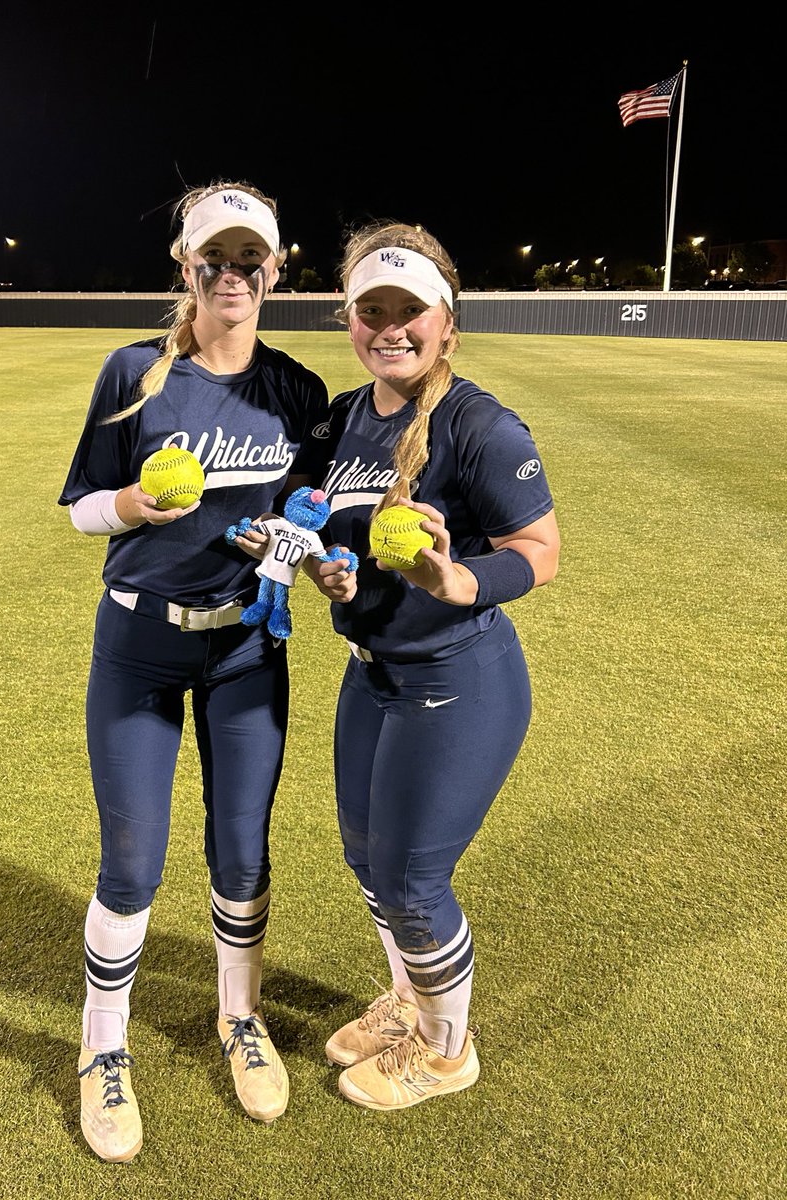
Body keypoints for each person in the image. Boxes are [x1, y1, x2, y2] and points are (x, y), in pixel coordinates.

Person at [57, 181, 332, 1160]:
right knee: (131, 864)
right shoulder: (134, 372)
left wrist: (297, 553)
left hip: (247, 647)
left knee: (242, 854)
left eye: (251, 260)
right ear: (186, 267)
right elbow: (80, 506)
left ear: (275, 268)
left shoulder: (298, 390)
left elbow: (307, 518)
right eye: (214, 259)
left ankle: (237, 1020)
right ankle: (102, 1050)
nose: (234, 276)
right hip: (139, 641)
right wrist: (131, 504)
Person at [310, 222, 560, 1111]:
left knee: (414, 882)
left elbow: (539, 551)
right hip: (372, 673)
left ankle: (447, 1052)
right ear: (349, 318)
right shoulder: (343, 417)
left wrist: (458, 577)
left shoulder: (479, 425)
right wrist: (327, 570)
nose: (391, 327)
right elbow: (331, 539)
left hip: (459, 680)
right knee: (366, 859)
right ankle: (412, 1004)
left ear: (446, 322)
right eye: (371, 310)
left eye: (409, 311)